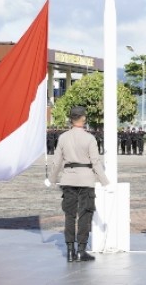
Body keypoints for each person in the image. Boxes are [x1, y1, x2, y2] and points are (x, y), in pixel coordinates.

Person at [44, 106, 111, 262]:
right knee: (84, 215)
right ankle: (81, 250)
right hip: (86, 179)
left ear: (71, 119)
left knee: (69, 215)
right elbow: (95, 162)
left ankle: (69, 250)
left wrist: (51, 179)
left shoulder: (63, 138)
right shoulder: (89, 138)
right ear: (83, 118)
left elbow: (57, 162)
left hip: (68, 179)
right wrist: (105, 182)